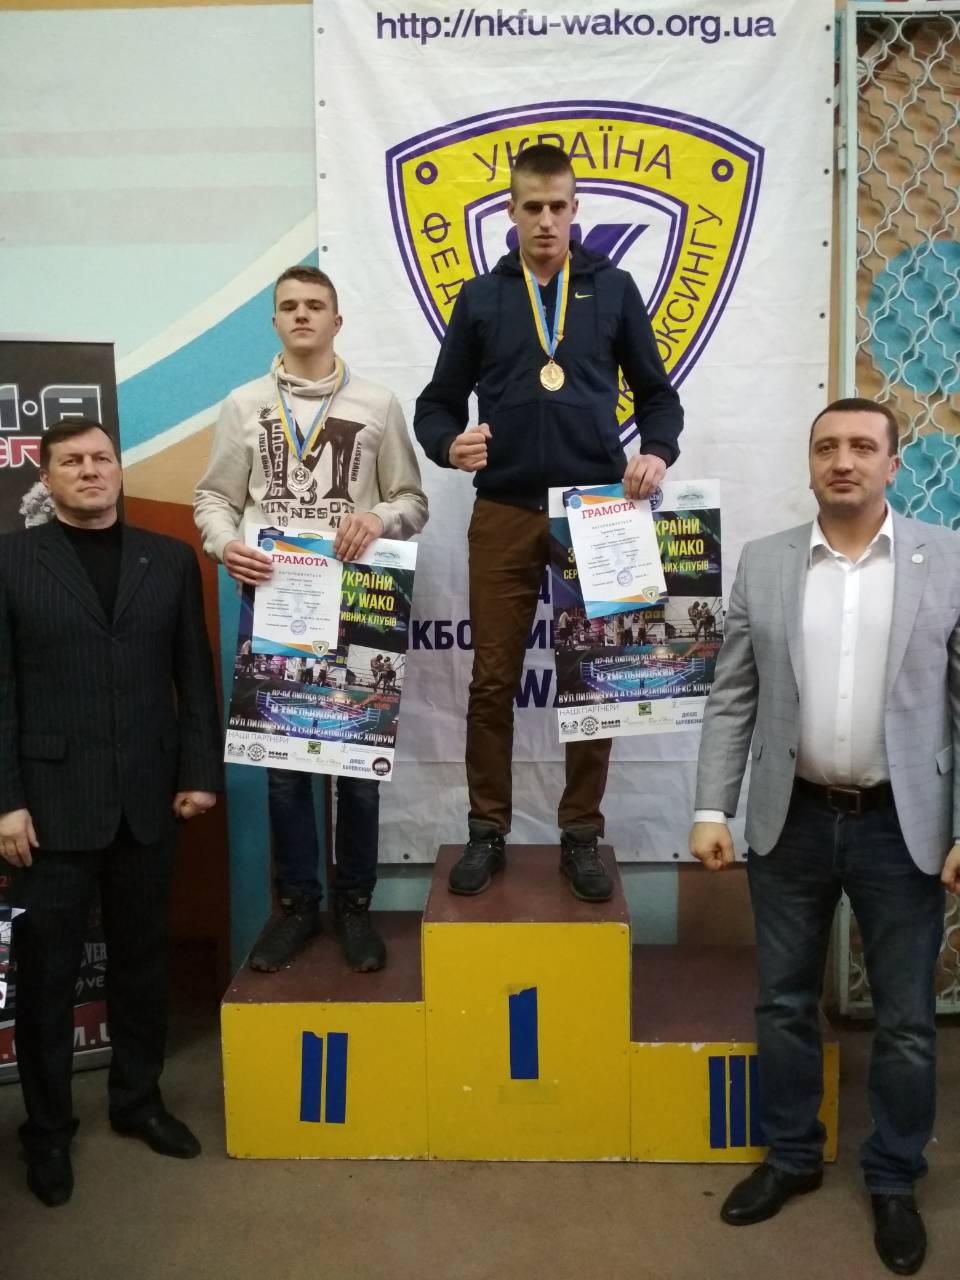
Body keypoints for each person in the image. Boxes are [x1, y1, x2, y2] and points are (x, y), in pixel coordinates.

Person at [688, 398, 960, 1276]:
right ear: (810, 462)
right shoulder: (766, 562)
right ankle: (792, 1156)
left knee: (907, 1022)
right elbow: (734, 694)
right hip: (791, 819)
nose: (844, 460)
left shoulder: (948, 560)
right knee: (782, 1003)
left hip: (902, 827)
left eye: (863, 447)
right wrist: (711, 807)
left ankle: (893, 1177)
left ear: (893, 464)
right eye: (827, 447)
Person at [415, 144, 682, 901]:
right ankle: (486, 831)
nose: (545, 220)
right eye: (531, 206)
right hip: (504, 510)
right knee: (493, 679)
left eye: (558, 206)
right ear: (511, 211)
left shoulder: (613, 288)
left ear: (575, 209)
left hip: (594, 512)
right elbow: (436, 403)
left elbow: (658, 397)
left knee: (594, 681)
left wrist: (656, 452)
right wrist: (447, 443)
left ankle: (581, 835)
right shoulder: (481, 298)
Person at [0, 420, 223, 1208]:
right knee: (46, 979)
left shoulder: (170, 559)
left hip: (148, 801)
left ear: (118, 471)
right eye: (72, 462)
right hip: (48, 810)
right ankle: (47, 1131)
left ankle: (137, 1101)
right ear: (47, 477)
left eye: (101, 459)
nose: (90, 471)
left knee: (142, 963)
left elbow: (194, 675)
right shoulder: (10, 560)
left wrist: (200, 772)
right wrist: (6, 801)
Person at [194, 265, 427, 973]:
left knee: (356, 768)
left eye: (315, 305)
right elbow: (214, 498)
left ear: (336, 320)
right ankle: (297, 906)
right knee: (286, 773)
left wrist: (377, 518)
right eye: (289, 306)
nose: (302, 315)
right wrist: (225, 545)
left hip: (357, 601)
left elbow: (412, 500)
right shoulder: (243, 405)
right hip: (278, 601)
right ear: (275, 322)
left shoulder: (378, 403)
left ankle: (354, 906)